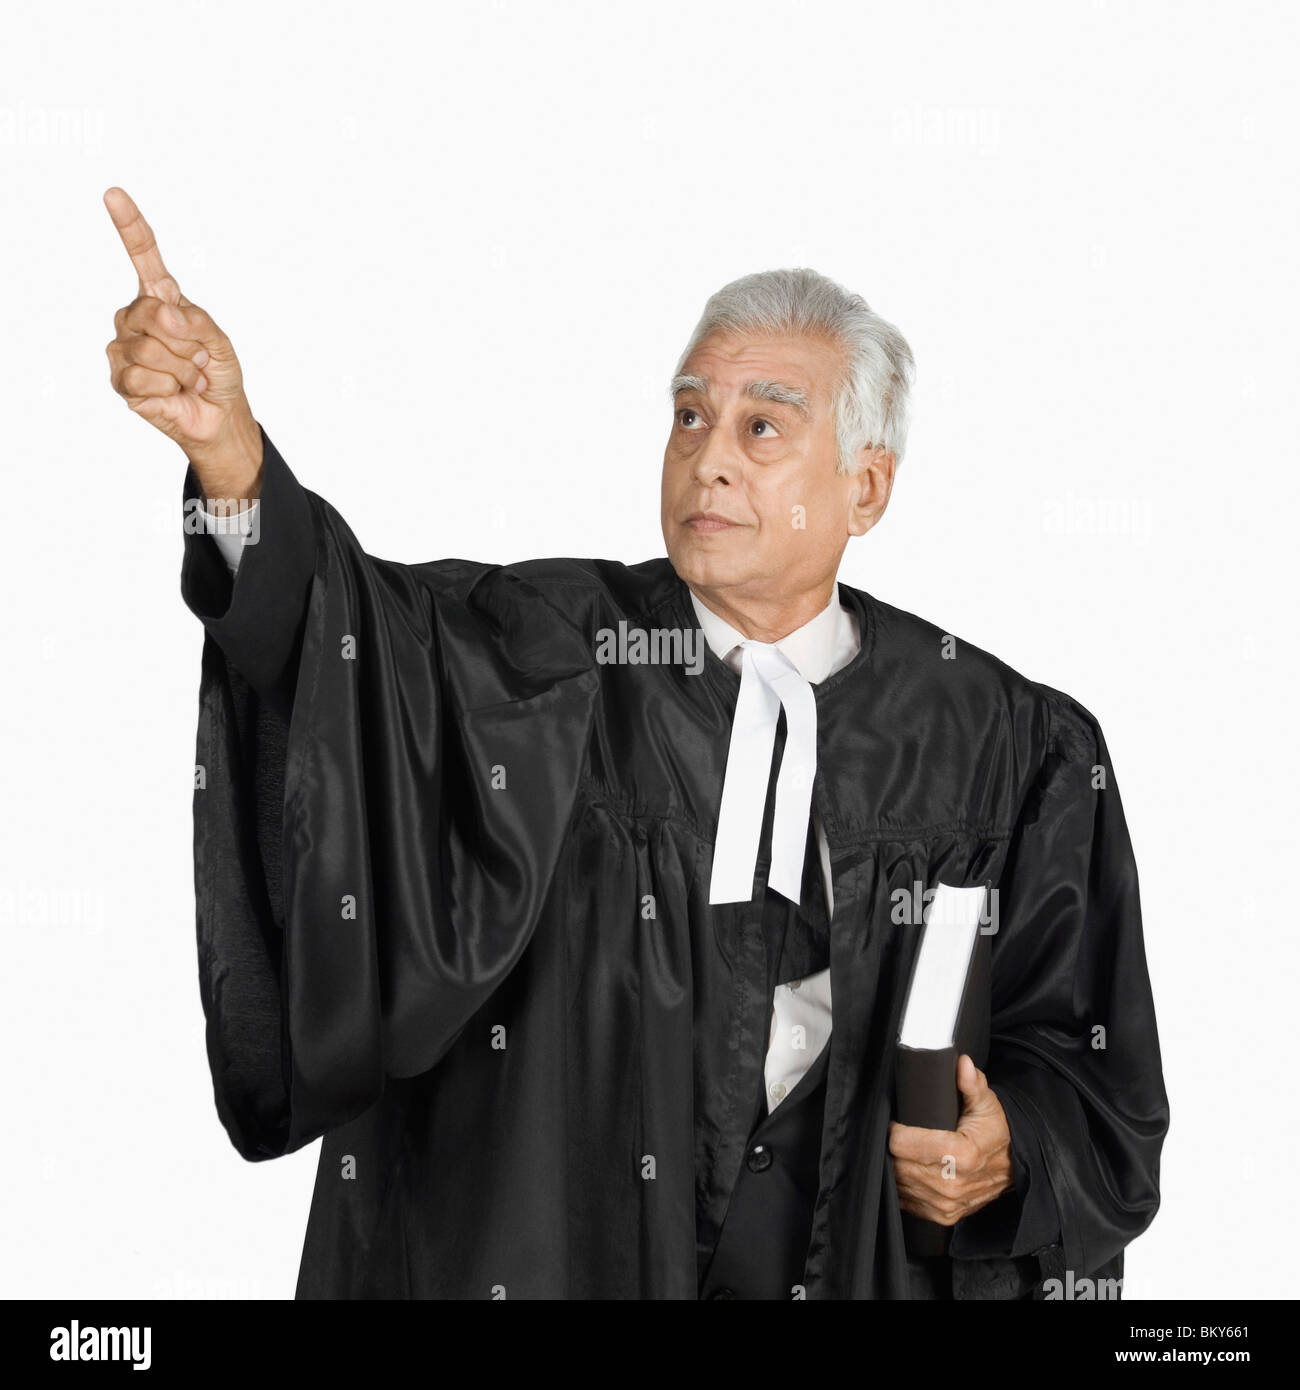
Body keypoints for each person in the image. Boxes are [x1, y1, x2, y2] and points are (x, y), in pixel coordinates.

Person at [103, 186, 1168, 1300]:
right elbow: (337, 643)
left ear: (864, 485)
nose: (709, 457)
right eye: (689, 415)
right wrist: (232, 462)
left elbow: (1088, 1074)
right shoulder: (540, 657)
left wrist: (1008, 1158)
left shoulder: (1005, 746)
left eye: (763, 424)